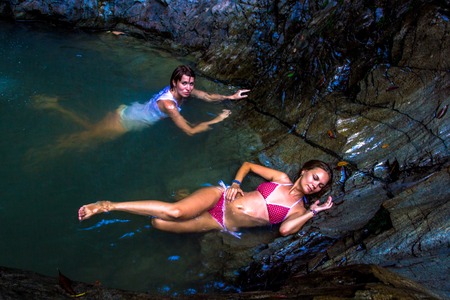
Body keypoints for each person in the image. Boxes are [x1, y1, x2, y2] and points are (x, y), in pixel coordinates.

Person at [28, 65, 250, 157]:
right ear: (175, 82)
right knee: (84, 138)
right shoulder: (170, 105)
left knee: (89, 130)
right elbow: (190, 131)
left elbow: (207, 96)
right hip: (123, 123)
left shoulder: (180, 92)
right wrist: (219, 119)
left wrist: (230, 97)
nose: (189, 88)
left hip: (128, 112)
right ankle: (51, 116)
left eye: (191, 84)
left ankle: (55, 106)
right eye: (185, 84)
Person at [78, 160, 334, 237]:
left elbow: (286, 231)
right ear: (304, 171)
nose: (315, 185)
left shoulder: (298, 210)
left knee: (158, 224)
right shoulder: (280, 177)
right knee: (175, 212)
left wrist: (314, 211)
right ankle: (108, 205)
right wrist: (235, 183)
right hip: (219, 198)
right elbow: (247, 165)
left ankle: (184, 196)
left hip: (221, 223)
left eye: (320, 185)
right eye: (315, 177)